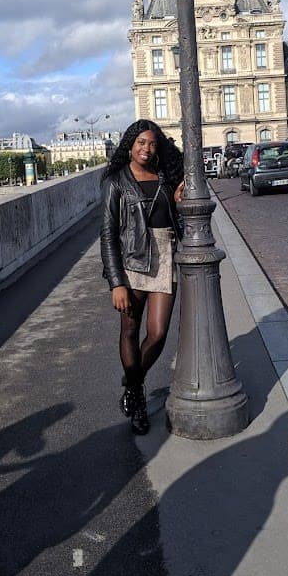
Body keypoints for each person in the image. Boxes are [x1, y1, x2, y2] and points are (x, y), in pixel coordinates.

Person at [100, 120, 184, 435]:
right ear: (129, 145)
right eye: (140, 143)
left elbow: (170, 218)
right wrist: (116, 282)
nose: (146, 149)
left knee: (159, 333)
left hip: (164, 255)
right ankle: (137, 399)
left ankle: (133, 380)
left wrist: (176, 204)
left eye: (151, 143)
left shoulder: (164, 175)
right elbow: (107, 235)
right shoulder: (116, 182)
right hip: (132, 261)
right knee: (130, 331)